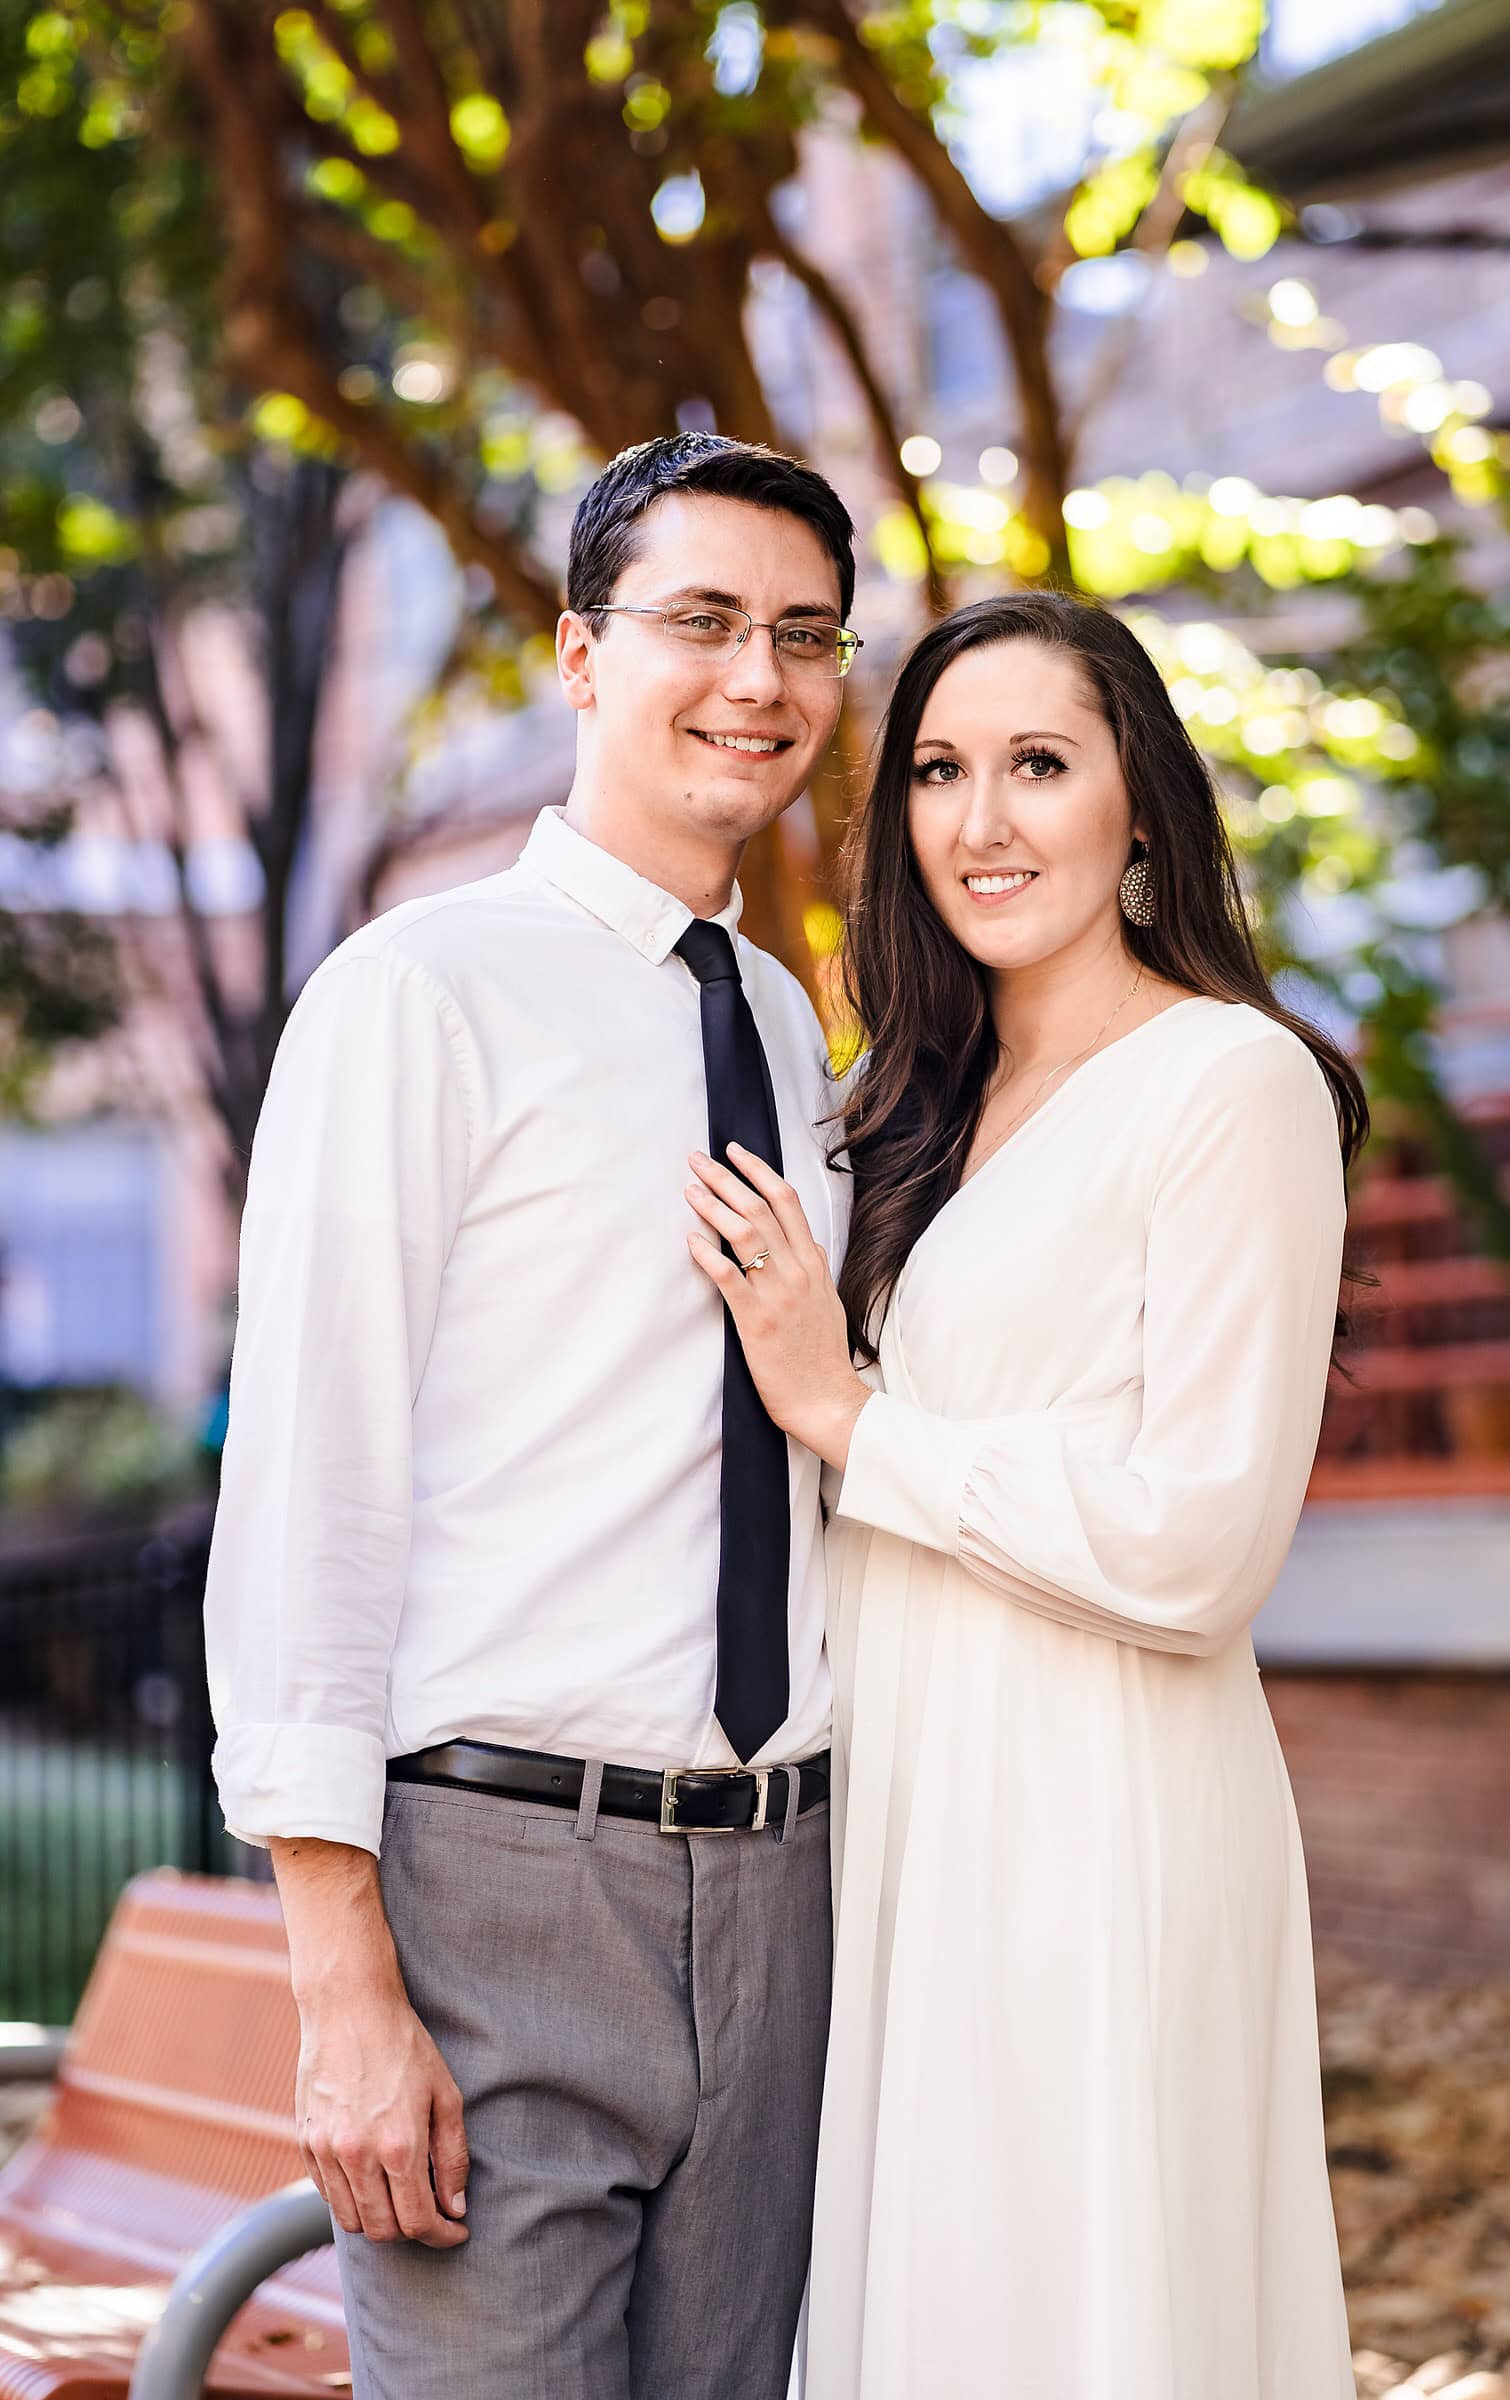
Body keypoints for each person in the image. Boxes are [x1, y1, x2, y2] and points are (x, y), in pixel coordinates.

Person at [204, 431, 862, 2400]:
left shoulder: (778, 1024)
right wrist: (341, 1980)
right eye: (703, 622)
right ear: (580, 656)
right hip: (498, 1883)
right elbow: (311, 1472)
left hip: (782, 1884)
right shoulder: (418, 994)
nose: (758, 680)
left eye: (804, 639)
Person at [683, 590, 1366, 2400]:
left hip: (1099, 1815)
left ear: (1137, 803)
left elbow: (1204, 1541)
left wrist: (853, 1416)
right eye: (937, 771)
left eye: (1038, 766)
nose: (981, 821)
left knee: (1080, 2311)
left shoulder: (1232, 1085)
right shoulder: (906, 1108)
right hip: (904, 1814)